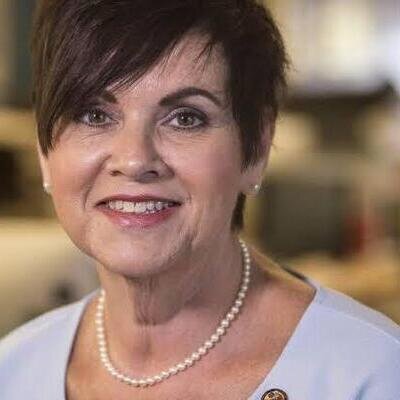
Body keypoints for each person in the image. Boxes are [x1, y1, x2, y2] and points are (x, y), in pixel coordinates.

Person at [1, 1, 399, 399]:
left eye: (185, 118)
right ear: (44, 152)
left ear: (256, 149)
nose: (135, 160)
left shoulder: (371, 374)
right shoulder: (12, 371)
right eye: (94, 115)